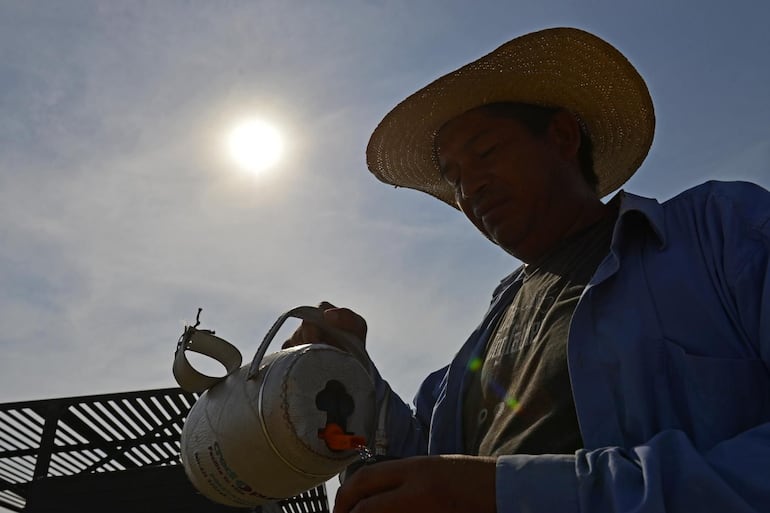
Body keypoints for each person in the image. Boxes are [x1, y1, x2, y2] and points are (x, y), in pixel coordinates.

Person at [284, 27, 770, 512]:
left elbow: (467, 487)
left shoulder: (722, 230)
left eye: (486, 153)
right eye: (454, 178)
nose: (468, 188)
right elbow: (425, 468)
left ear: (561, 136)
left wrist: (508, 493)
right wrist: (349, 374)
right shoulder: (478, 346)